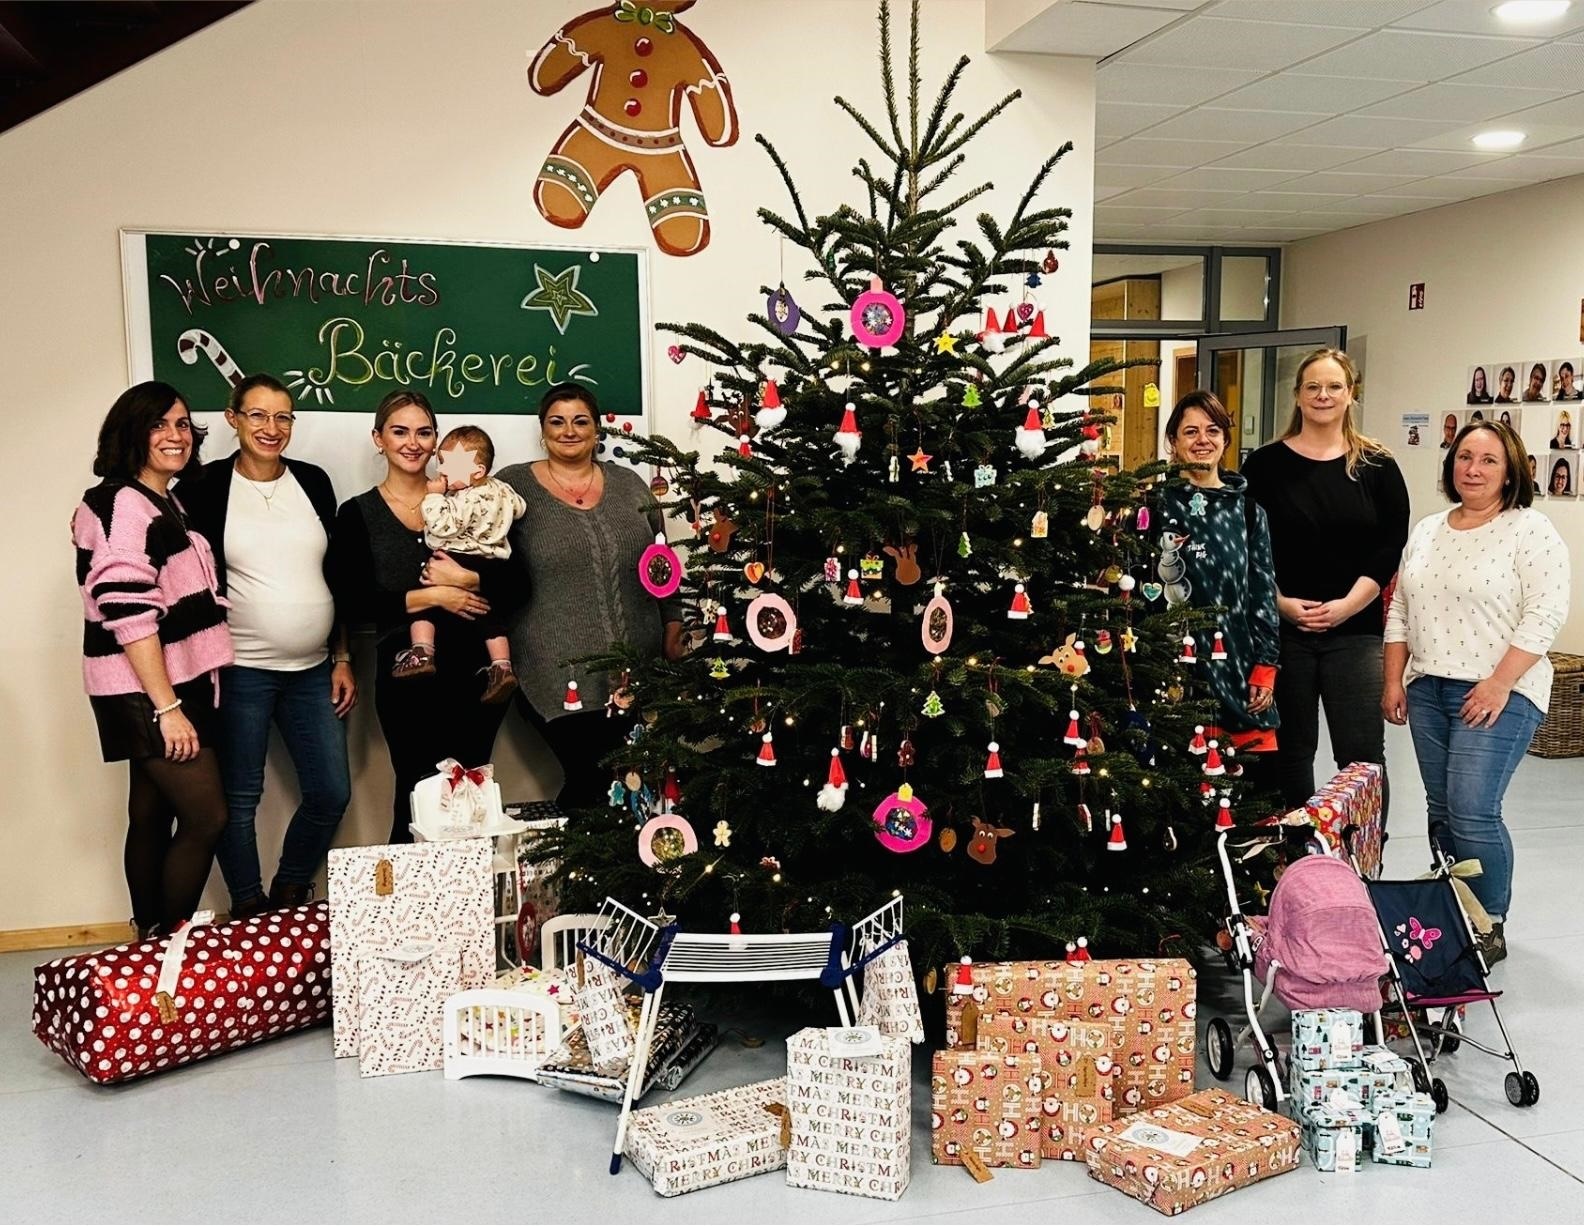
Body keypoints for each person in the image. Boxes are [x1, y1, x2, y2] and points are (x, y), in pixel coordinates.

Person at [1383, 421, 1568, 964]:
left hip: (1500, 690)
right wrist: (1394, 678)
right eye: (1465, 457)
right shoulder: (1429, 529)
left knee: (1473, 810)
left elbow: (1544, 615)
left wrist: (1499, 682)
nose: (1473, 469)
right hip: (1428, 686)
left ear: (1510, 470)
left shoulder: (1531, 531)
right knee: (1440, 808)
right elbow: (1399, 608)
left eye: (1488, 460)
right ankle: (1451, 909)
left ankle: (1489, 923)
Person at [178, 374, 354, 917]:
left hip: (313, 668)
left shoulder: (314, 481)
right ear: (233, 418)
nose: (270, 428)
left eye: (282, 417)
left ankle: (289, 890)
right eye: (257, 415)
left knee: (330, 792)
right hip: (239, 669)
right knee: (238, 800)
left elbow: (338, 573)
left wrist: (342, 655)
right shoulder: (202, 488)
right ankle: (249, 906)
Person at [327, 391, 527, 841]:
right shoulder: (359, 513)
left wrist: (469, 581)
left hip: (481, 672)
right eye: (399, 431)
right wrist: (436, 596)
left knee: (472, 797)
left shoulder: (480, 501)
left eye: (423, 432)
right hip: (409, 673)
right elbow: (353, 600)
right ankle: (414, 908)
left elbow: (519, 585)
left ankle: (468, 907)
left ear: (438, 443)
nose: (412, 442)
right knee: (420, 794)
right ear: (379, 439)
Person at [72, 383, 232, 938]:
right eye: (160, 424)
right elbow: (128, 610)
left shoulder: (164, 501)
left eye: (184, 424)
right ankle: (168, 944)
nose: (175, 435)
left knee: (151, 816)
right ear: (131, 432)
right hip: (147, 690)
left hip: (169, 684)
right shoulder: (119, 503)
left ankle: (149, 945)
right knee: (207, 817)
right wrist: (167, 707)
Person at [497, 383, 686, 811]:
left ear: (597, 430)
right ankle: (579, 874)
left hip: (637, 668)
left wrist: (673, 622)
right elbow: (485, 556)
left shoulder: (631, 485)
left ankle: (617, 876)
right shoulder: (512, 486)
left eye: (580, 421)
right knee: (591, 776)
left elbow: (662, 561)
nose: (569, 431)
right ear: (542, 430)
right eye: (556, 422)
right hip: (553, 668)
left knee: (631, 784)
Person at [1242, 349, 1410, 819]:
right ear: (1297, 395)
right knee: (1288, 753)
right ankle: (1293, 861)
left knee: (1360, 759)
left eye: (1334, 386)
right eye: (1313, 386)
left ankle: (1360, 863)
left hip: (1355, 635)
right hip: (1283, 634)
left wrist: (1345, 607)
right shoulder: (1265, 466)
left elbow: (1388, 549)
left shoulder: (1377, 466)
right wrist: (1280, 604)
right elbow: (1249, 548)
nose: (1323, 395)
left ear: (1351, 394)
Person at [1158, 391, 1280, 773]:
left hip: (1238, 670)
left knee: (1245, 803)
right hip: (1168, 673)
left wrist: (1266, 666)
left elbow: (1263, 592)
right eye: (1190, 432)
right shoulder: (1154, 505)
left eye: (1212, 430)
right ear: (1173, 443)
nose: (1202, 440)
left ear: (1226, 440)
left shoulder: (1248, 512)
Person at [396, 424, 526, 704]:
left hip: (457, 557)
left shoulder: (465, 499)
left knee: (425, 603)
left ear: (477, 472)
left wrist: (433, 496)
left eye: (448, 466)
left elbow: (444, 526)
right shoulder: (501, 489)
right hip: (490, 560)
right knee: (490, 619)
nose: (441, 473)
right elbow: (519, 507)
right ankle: (502, 666)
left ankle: (421, 651)